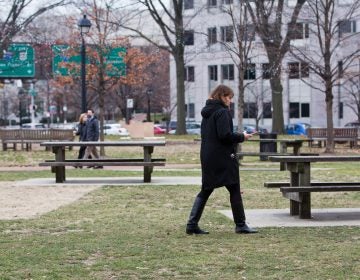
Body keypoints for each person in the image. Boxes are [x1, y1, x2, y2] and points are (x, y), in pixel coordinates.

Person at [186, 85, 257, 235]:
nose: (230, 101)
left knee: (206, 189)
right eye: (228, 97)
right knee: (234, 188)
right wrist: (241, 137)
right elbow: (224, 136)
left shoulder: (207, 113)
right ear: (221, 96)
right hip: (222, 157)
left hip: (207, 156)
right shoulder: (222, 112)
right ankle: (241, 224)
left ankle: (192, 225)